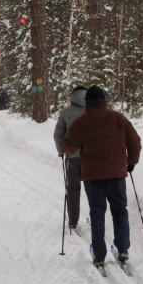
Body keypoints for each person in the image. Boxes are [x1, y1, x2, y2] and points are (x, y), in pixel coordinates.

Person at [61, 85, 141, 269]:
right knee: (120, 210)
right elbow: (135, 141)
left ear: (88, 102)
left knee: (97, 213)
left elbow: (69, 147)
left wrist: (65, 140)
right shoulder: (118, 118)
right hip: (117, 175)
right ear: (104, 101)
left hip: (93, 177)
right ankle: (122, 249)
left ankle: (99, 255)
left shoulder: (81, 122)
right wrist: (131, 163)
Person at [53, 85, 87, 231]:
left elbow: (57, 135)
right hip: (91, 158)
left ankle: (73, 220)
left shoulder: (66, 112)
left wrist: (61, 151)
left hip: (73, 156)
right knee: (92, 188)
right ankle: (97, 218)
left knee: (73, 188)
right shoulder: (93, 110)